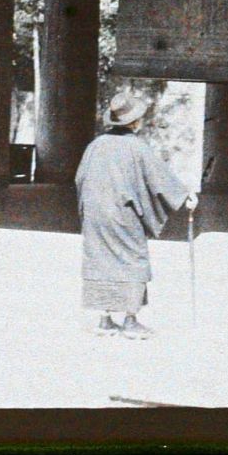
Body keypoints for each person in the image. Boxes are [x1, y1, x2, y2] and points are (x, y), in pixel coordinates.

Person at [74, 88, 194, 339]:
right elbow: (160, 178)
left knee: (100, 260)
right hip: (122, 215)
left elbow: (79, 178)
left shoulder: (95, 146)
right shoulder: (136, 147)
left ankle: (105, 319)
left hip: (96, 214)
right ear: (135, 122)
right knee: (132, 259)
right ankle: (130, 319)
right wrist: (186, 197)